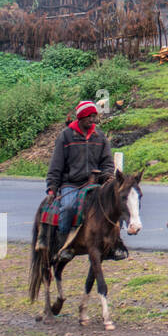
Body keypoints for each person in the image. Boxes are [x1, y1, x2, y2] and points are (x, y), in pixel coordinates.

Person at [39, 100, 121, 256]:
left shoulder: (100, 136)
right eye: (89, 116)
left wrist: (108, 177)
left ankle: (113, 245)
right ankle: (65, 245)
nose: (92, 120)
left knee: (115, 205)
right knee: (69, 207)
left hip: (95, 184)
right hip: (71, 183)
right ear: (81, 117)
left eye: (94, 116)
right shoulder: (66, 136)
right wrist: (52, 188)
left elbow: (107, 163)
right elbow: (56, 165)